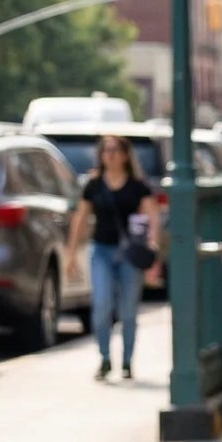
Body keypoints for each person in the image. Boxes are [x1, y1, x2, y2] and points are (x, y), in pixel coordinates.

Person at [65, 133, 157, 382]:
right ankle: (105, 358)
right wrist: (70, 255)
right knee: (102, 305)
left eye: (116, 150)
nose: (111, 154)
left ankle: (127, 362)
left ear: (126, 155)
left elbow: (152, 218)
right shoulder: (94, 185)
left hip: (129, 254)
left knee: (128, 311)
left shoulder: (138, 186)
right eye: (106, 150)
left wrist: (153, 254)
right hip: (101, 250)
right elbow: (80, 219)